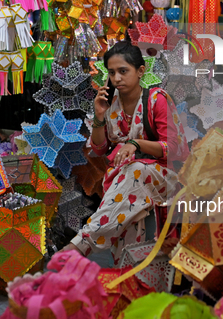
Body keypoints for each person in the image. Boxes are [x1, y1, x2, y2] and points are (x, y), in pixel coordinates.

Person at [63, 41, 188, 265]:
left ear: (140, 71)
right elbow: (101, 149)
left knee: (137, 170)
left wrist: (136, 144)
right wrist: (99, 117)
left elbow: (174, 148)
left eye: (123, 71)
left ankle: (80, 244)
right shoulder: (109, 104)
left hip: (164, 176)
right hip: (124, 180)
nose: (116, 78)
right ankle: (130, 276)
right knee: (131, 207)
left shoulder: (156, 100)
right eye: (111, 73)